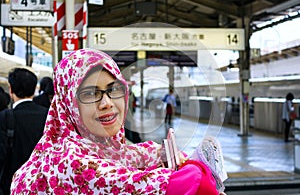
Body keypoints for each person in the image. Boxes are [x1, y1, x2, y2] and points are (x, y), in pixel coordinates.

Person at [10, 49, 225, 195]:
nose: (106, 103)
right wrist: (199, 169)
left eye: (114, 89)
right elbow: (148, 186)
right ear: (69, 104)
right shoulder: (68, 161)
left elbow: (122, 155)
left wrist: (161, 153)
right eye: (89, 93)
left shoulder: (89, 145)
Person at [0, 68, 48, 195]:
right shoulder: (48, 116)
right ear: (34, 89)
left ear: (10, 89)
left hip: (11, 186)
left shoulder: (4, 118)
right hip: (42, 185)